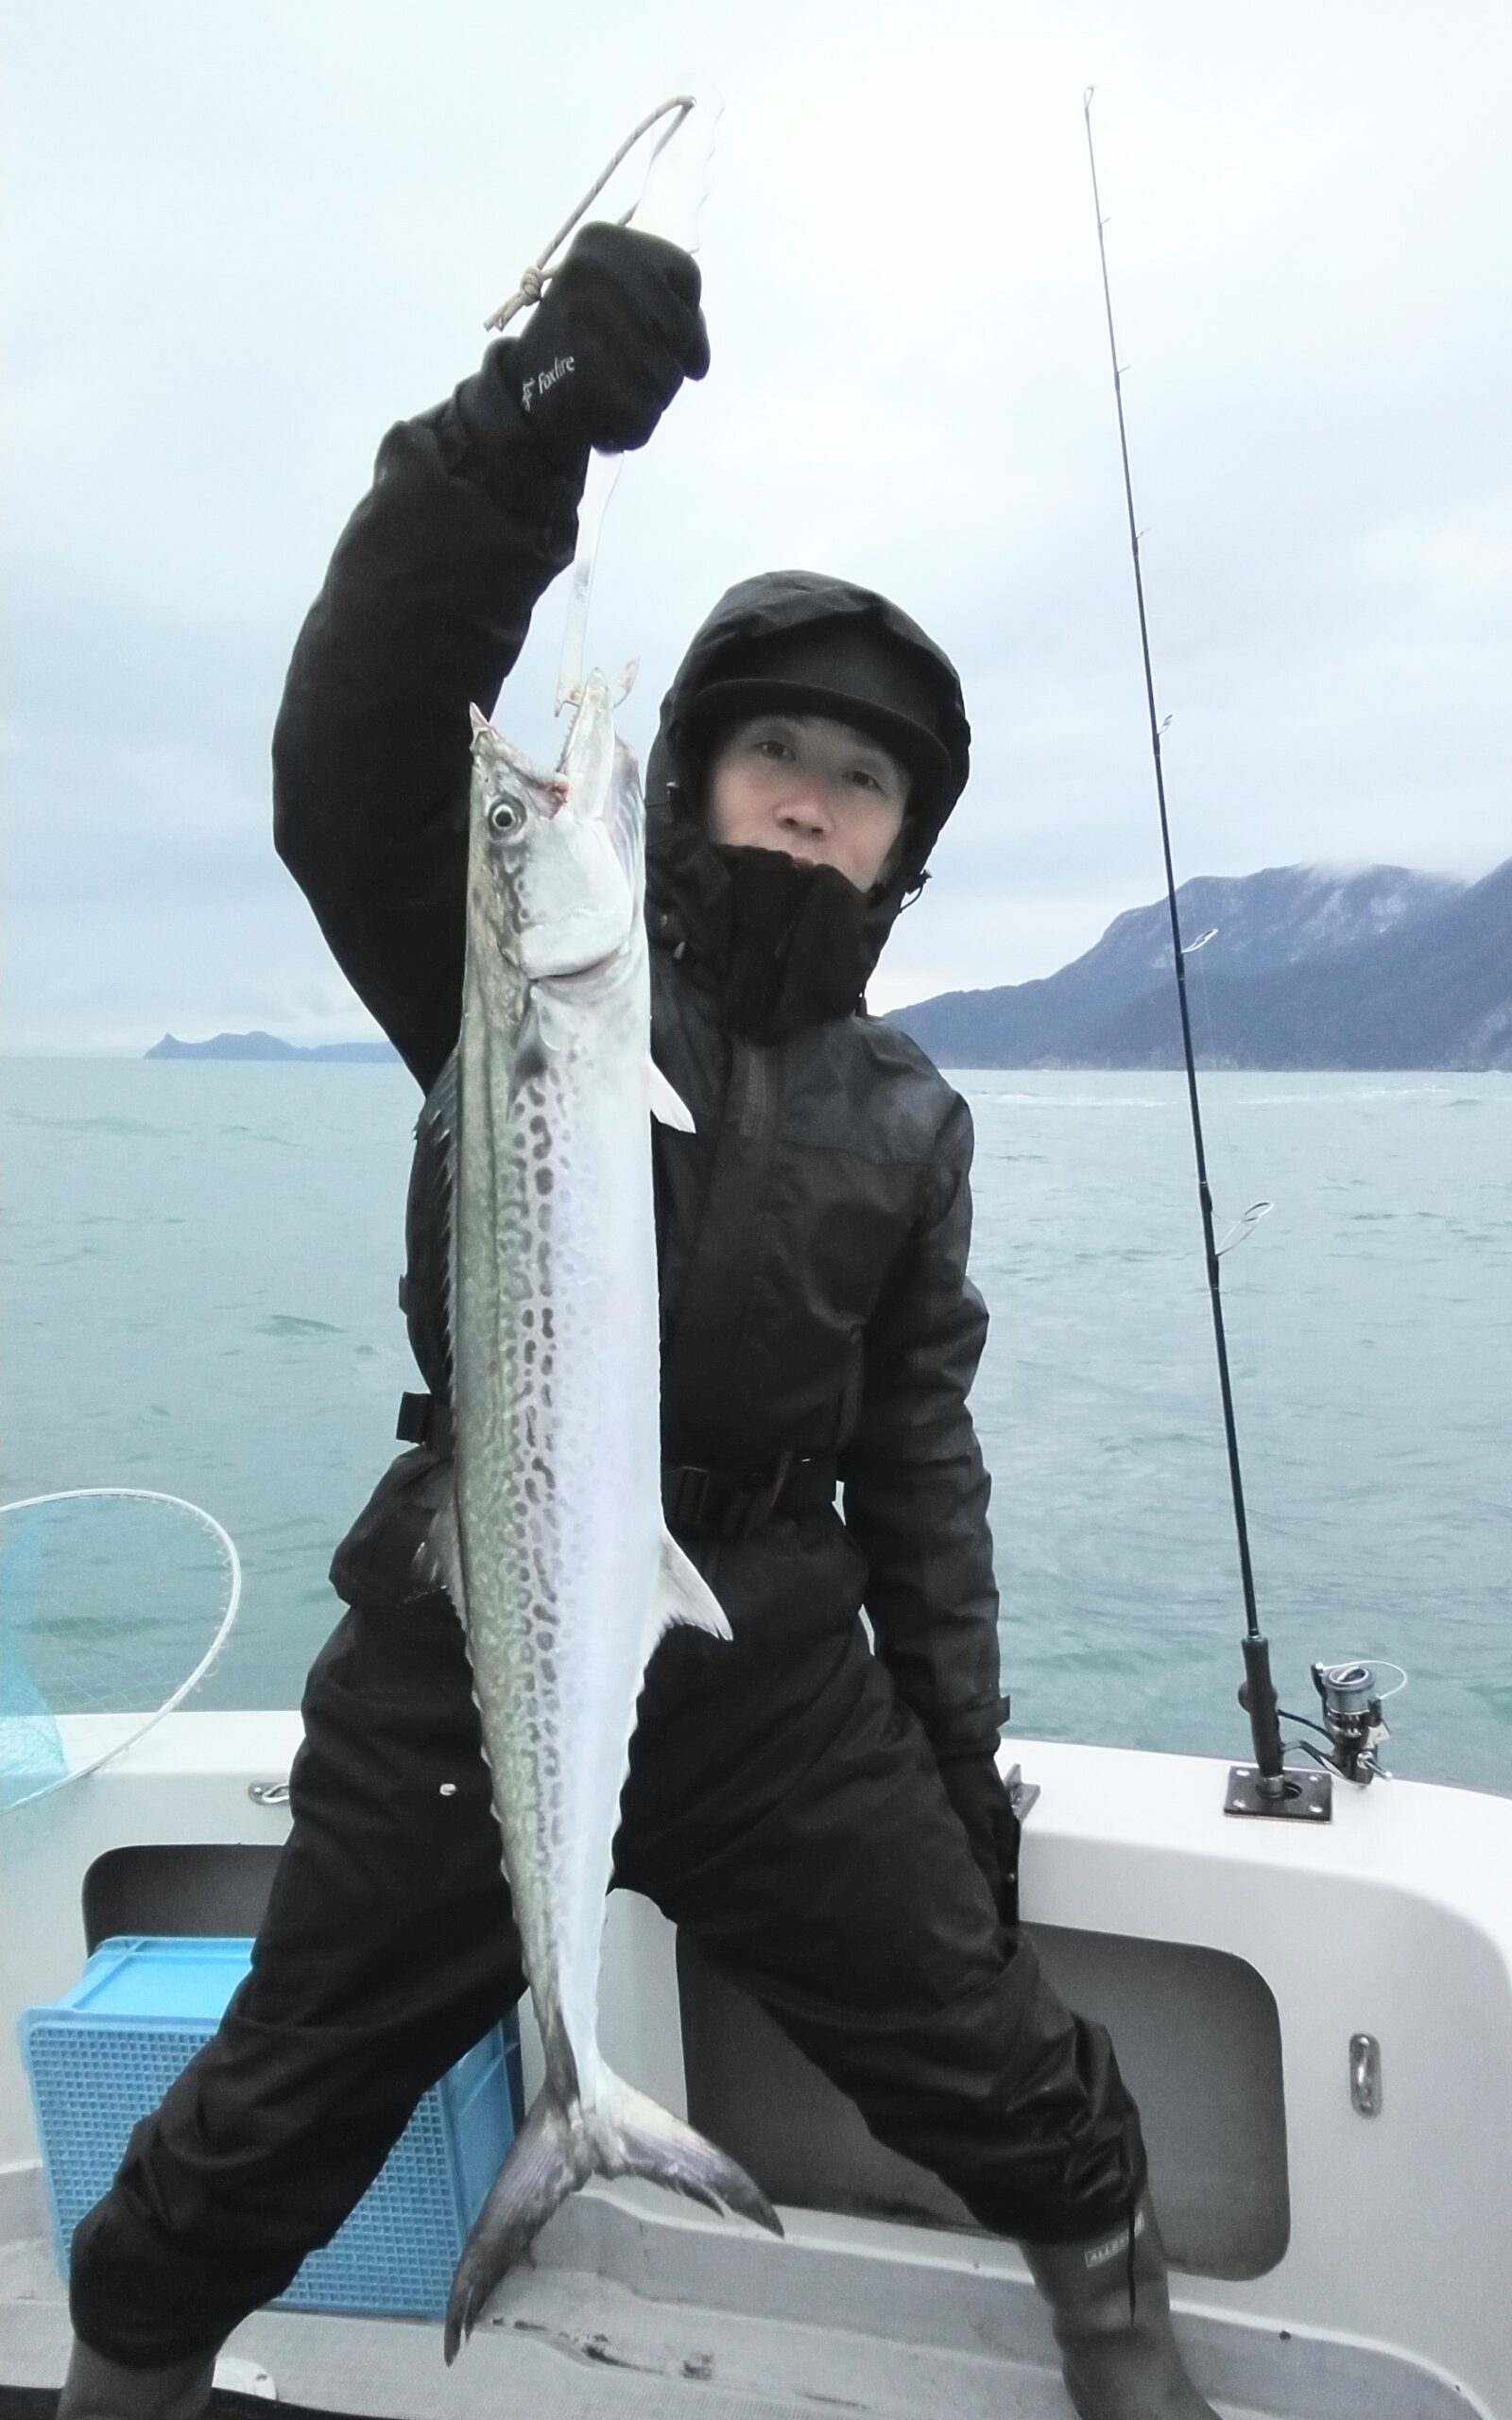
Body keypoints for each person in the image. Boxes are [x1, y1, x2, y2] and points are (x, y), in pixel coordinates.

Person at [60, 226, 1217, 2420]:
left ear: (903, 844)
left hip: (763, 1652)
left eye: (859, 775)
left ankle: (1120, 2333)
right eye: (769, 742)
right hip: (471, 1609)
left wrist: (953, 1791)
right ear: (682, 772)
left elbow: (924, 1481)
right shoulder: (522, 974)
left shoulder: (909, 1116)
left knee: (1009, 2066)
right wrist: (512, 444)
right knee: (264, 2110)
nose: (806, 790)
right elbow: (350, 751)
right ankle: (135, 2362)